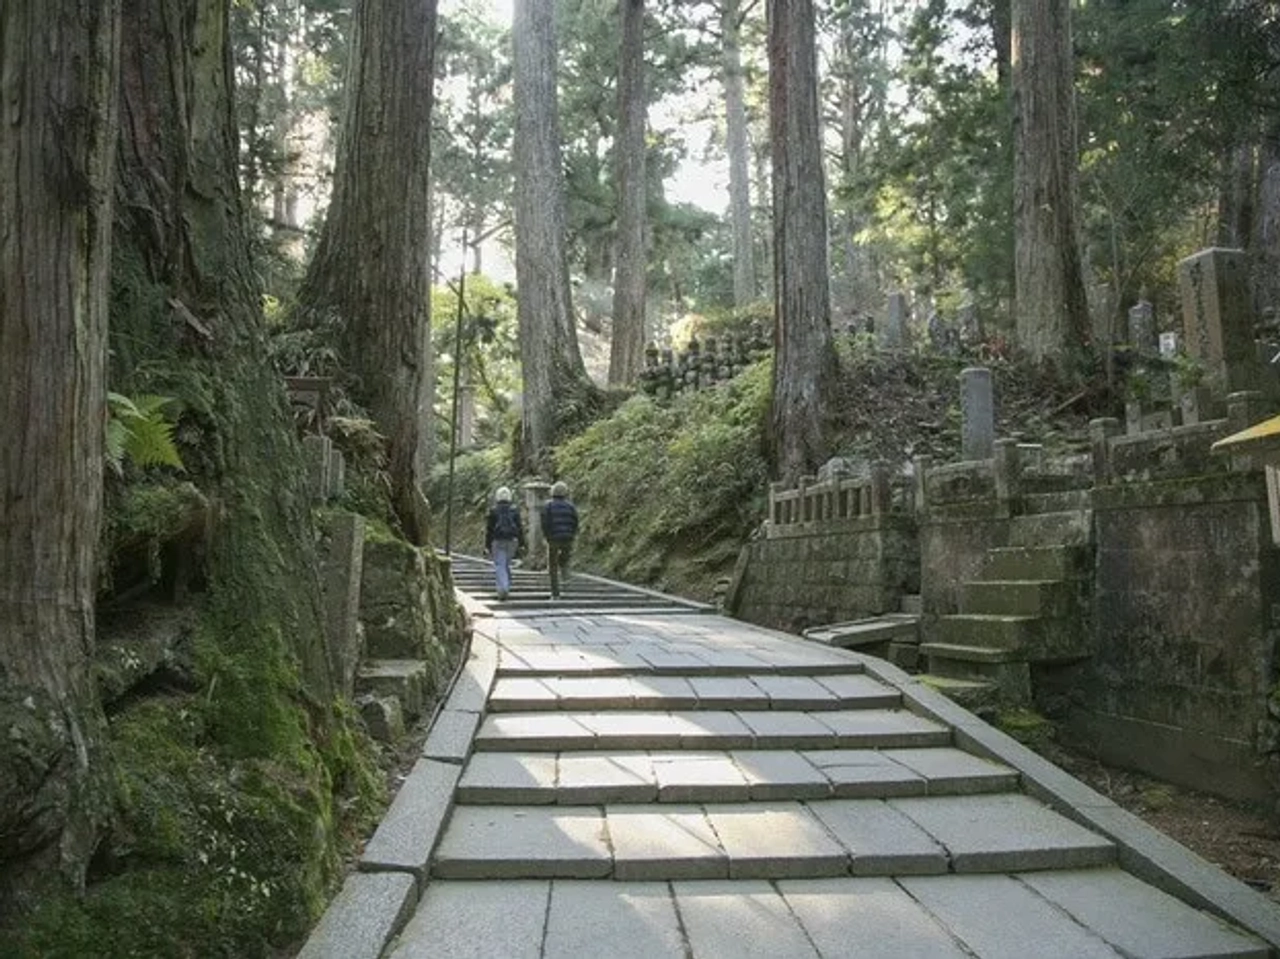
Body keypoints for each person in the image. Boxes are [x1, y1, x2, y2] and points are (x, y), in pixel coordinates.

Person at [540, 480, 579, 600]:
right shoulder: (570, 506)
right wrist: (572, 534)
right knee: (565, 560)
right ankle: (566, 579)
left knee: (553, 565)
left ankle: (555, 593)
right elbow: (575, 522)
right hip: (567, 538)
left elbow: (545, 523)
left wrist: (547, 536)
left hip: (553, 539)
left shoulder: (548, 506)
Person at [484, 486, 524, 600]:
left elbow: (489, 530)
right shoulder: (514, 510)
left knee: (500, 565)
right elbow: (520, 528)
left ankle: (503, 589)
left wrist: (487, 546)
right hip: (512, 541)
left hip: (498, 540)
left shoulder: (493, 511)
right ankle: (507, 586)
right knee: (505, 564)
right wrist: (522, 543)